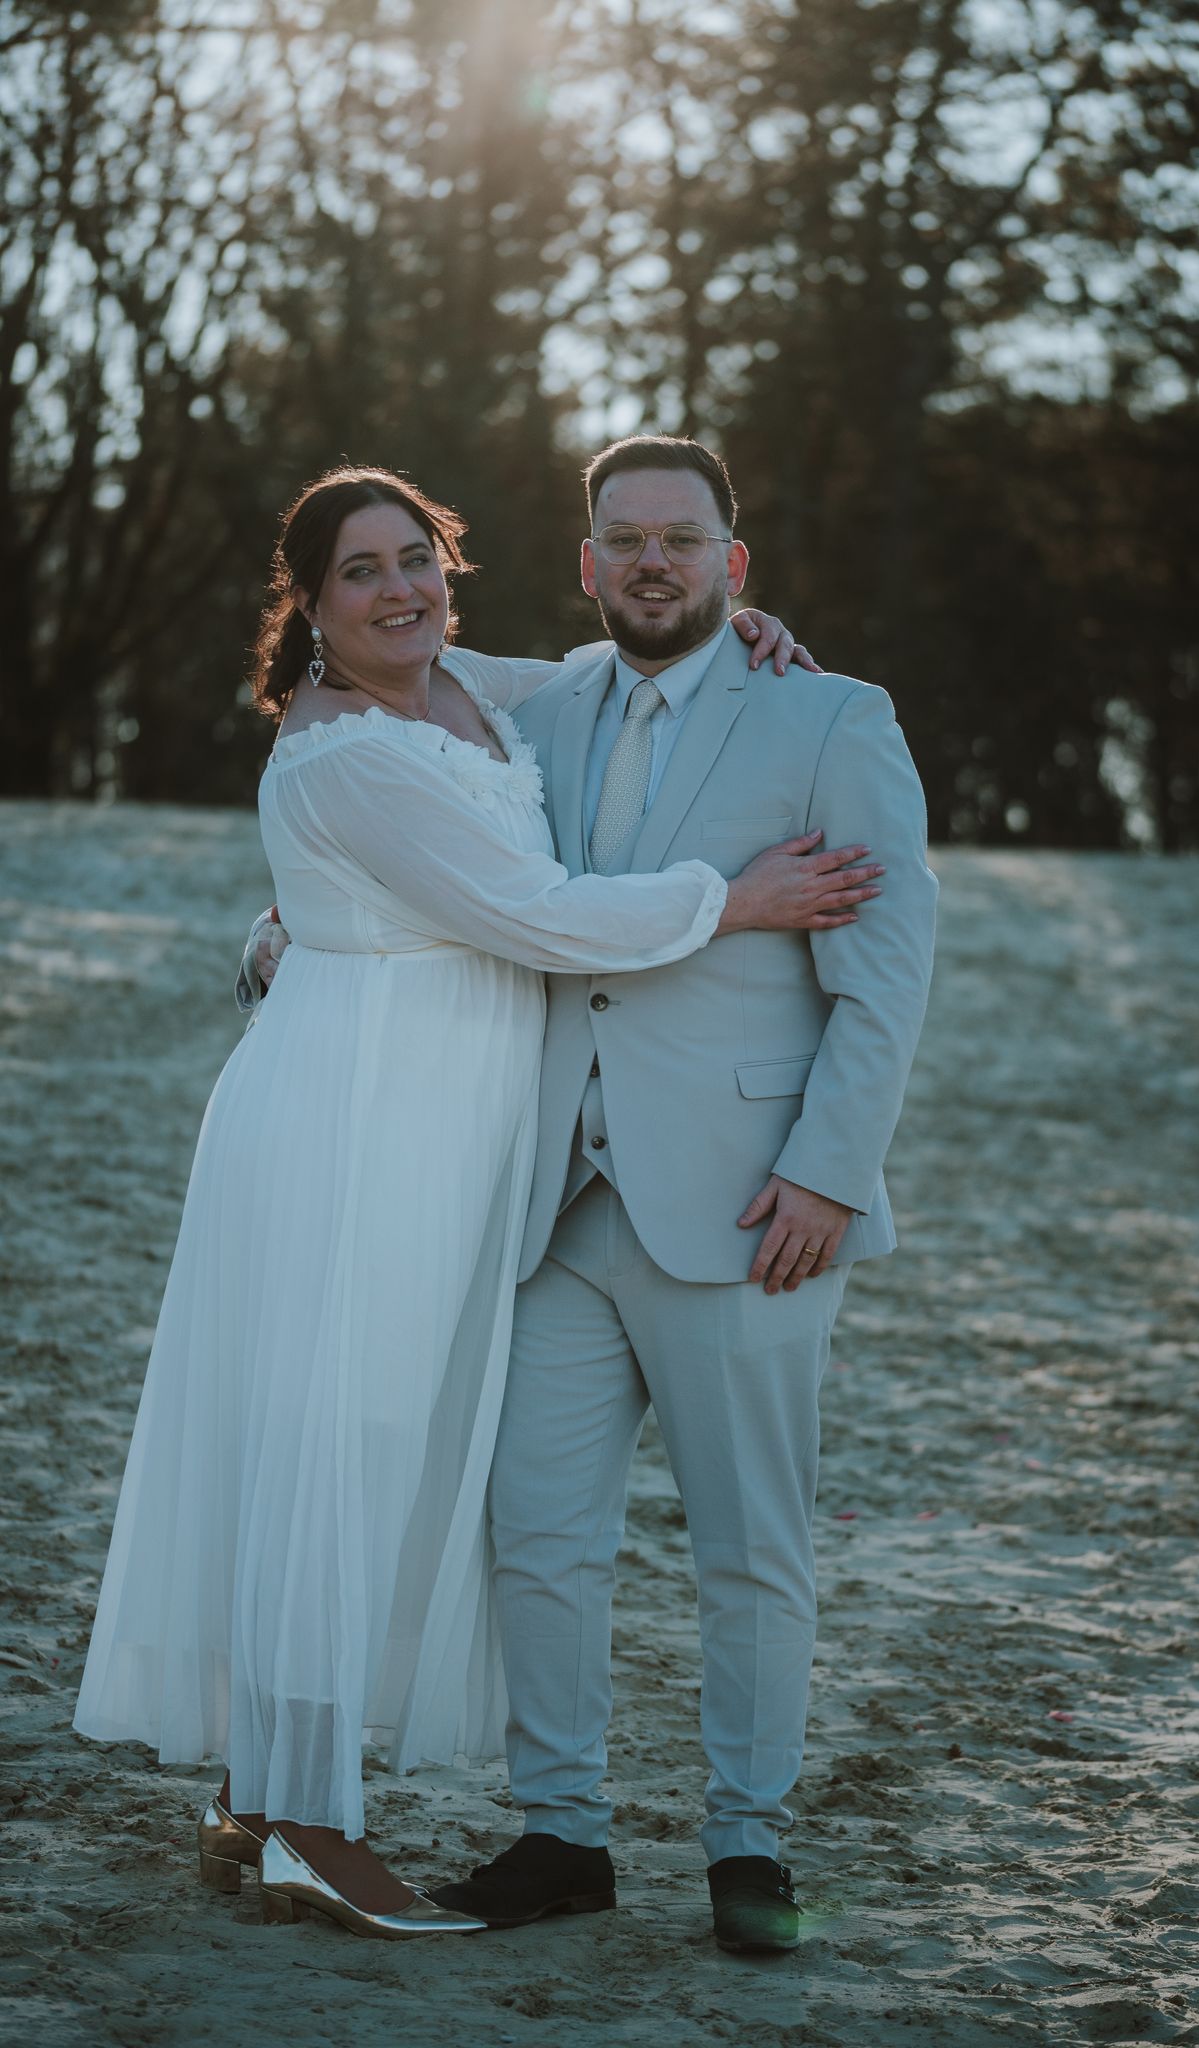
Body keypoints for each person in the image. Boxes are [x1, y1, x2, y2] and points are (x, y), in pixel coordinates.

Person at [72, 464, 885, 1941]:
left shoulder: (498, 687)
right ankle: (358, 1823)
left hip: (559, 1158)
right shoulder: (377, 741)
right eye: (360, 572)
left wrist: (742, 618)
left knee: (406, 1456)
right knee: (369, 1459)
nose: (398, 592)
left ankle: (278, 1799)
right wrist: (736, 897)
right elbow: (524, 905)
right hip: (398, 1141)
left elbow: (620, 674)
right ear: (310, 604)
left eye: (417, 560)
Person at [364, 434, 936, 1954]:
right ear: (585, 563)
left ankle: (749, 1844)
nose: (653, 563)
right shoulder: (536, 708)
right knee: (538, 1536)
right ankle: (563, 1833)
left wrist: (827, 1171)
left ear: (734, 564)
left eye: (683, 540)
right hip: (559, 1201)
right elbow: (382, 651)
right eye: (624, 539)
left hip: (754, 1209)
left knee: (750, 1545)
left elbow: (885, 977)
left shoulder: (832, 717)